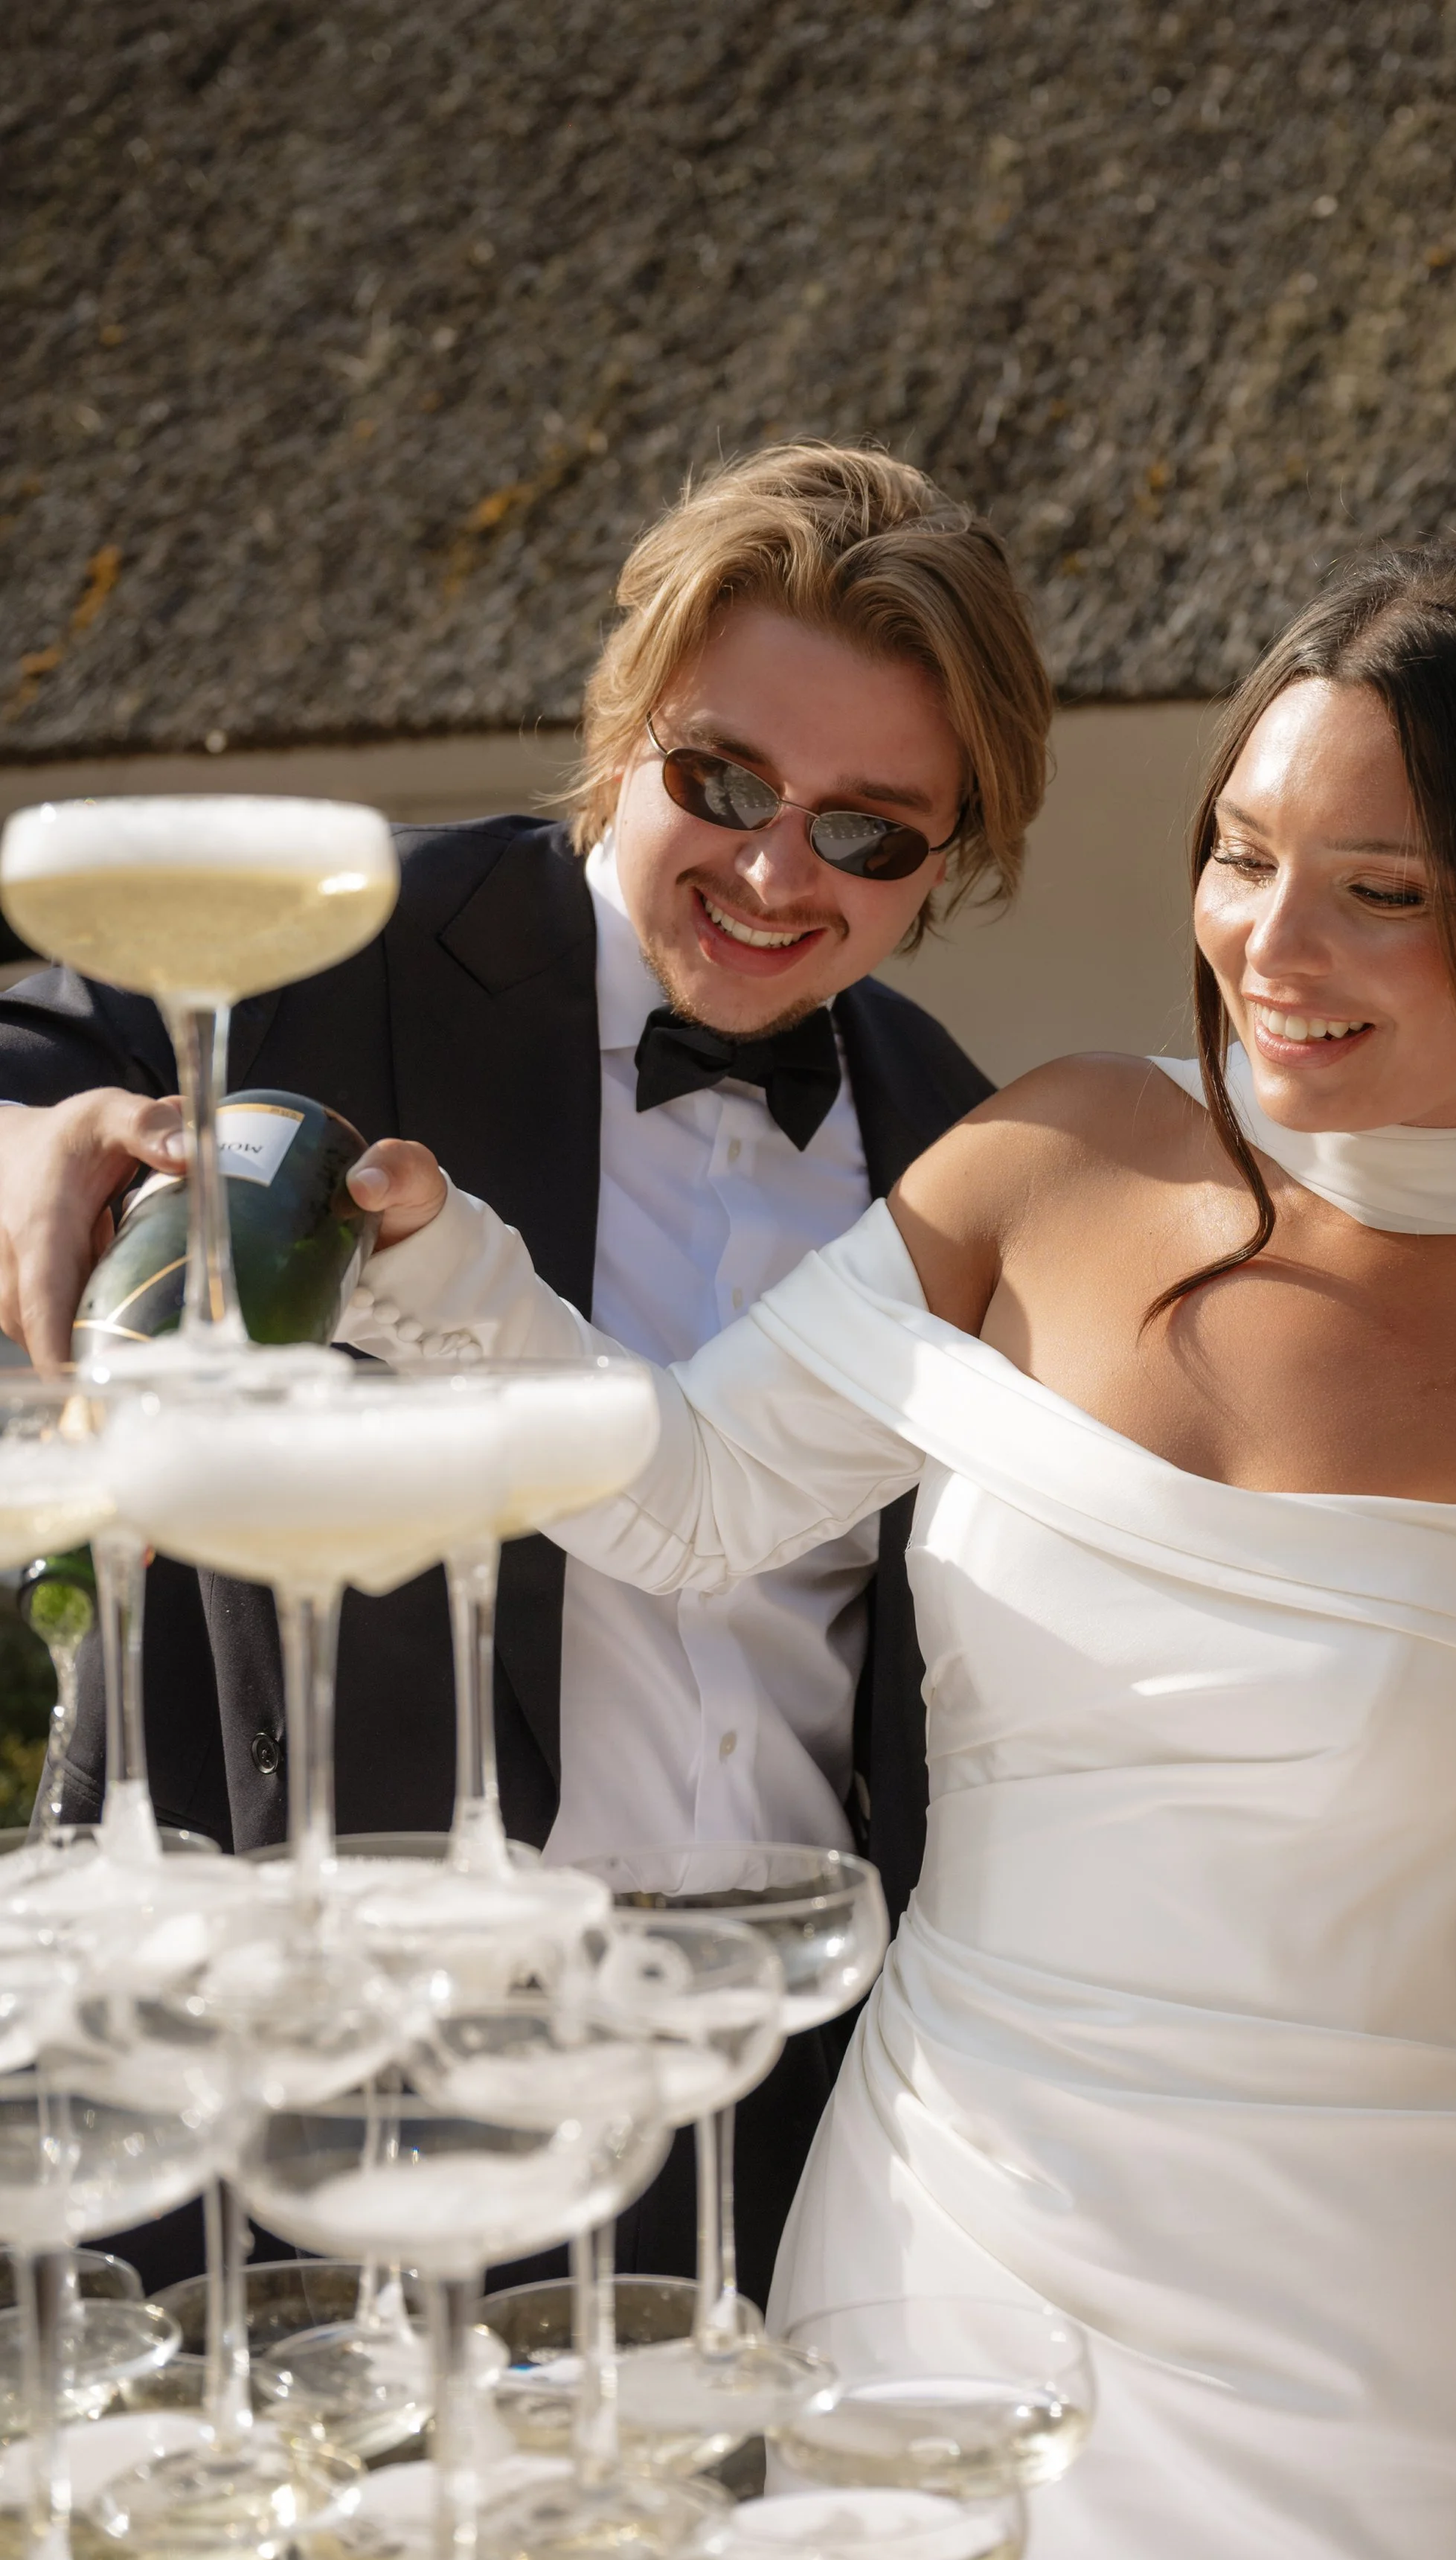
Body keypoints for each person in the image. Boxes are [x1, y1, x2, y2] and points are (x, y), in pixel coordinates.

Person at [339, 498, 1456, 2560]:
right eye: (1240, 852)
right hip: (929, 2286)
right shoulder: (1040, 1158)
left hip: (1394, 2380)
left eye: (1387, 890)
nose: (1271, 945)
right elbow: (686, 1495)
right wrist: (436, 1262)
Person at [0, 441, 1053, 2297]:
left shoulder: (947, 1126)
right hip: (325, 2068)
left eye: (866, 829)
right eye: (721, 778)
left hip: (770, 2095)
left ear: (947, 854)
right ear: (623, 723)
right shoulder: (346, 956)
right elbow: (21, 1065)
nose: (768, 866)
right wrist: (29, 1143)